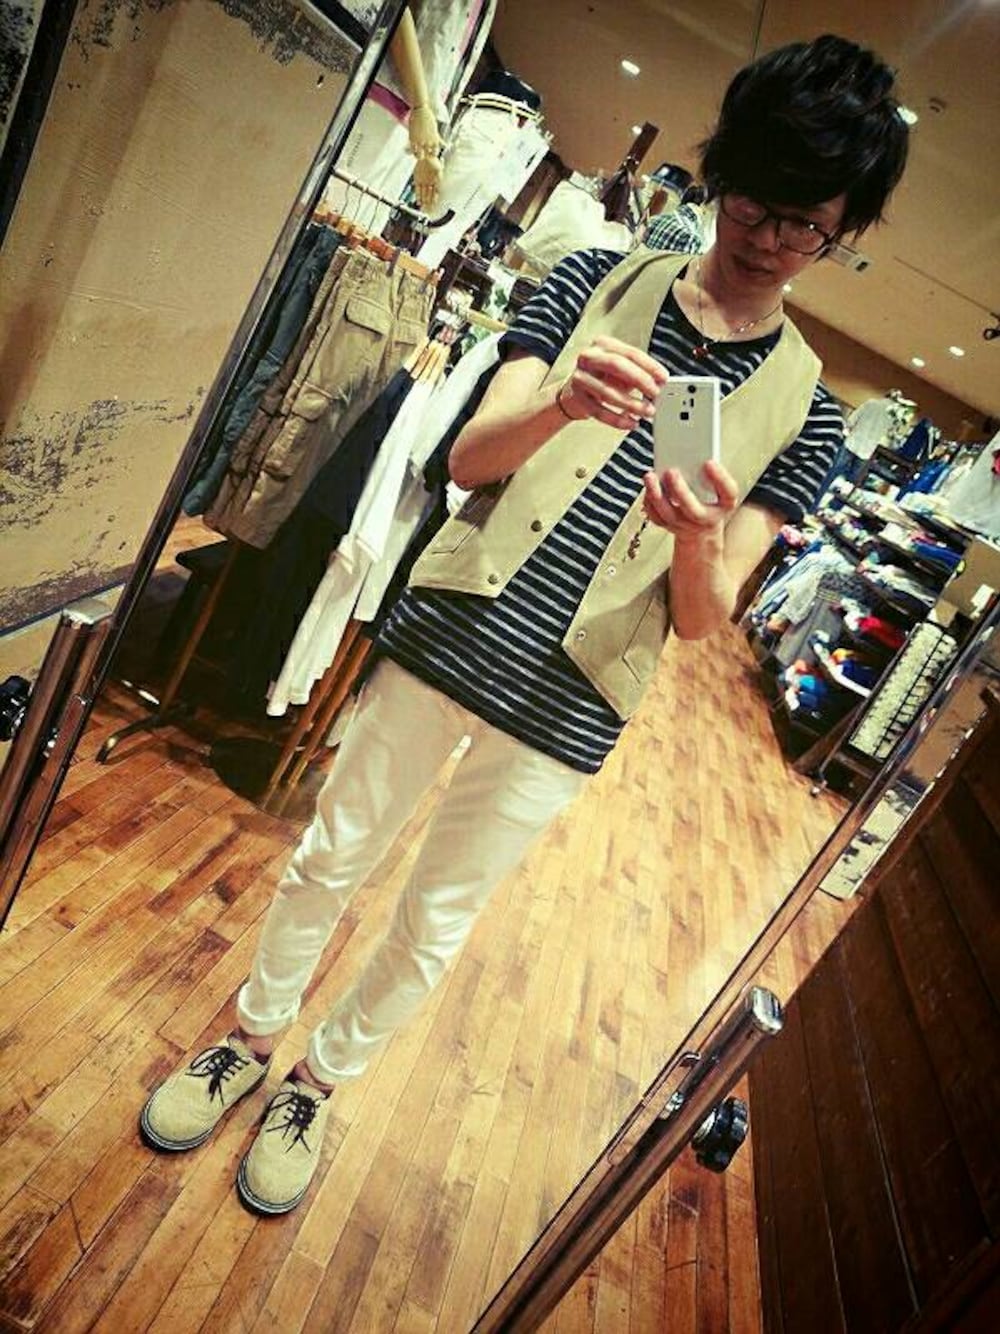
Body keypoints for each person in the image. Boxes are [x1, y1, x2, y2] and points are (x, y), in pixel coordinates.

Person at [140, 32, 909, 1215]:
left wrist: (697, 534)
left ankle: (320, 1081)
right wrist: (560, 402)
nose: (765, 239)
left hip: (575, 698)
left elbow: (700, 619)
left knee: (434, 917)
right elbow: (466, 459)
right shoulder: (591, 277)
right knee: (332, 854)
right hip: (454, 629)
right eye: (753, 202)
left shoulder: (806, 408)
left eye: (802, 224)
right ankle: (248, 1035)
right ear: (722, 177)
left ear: (841, 230)